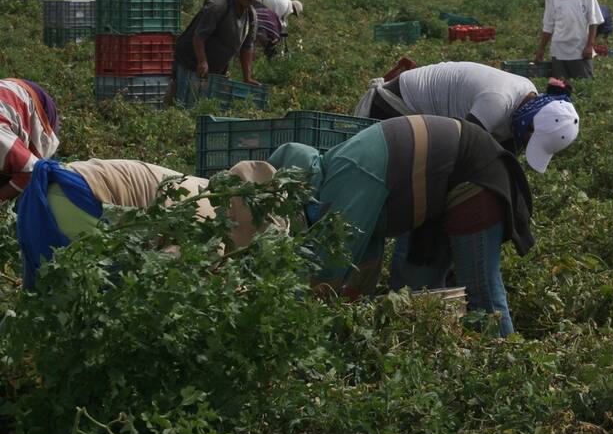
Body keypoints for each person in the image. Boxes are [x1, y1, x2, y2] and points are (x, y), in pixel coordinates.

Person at [268, 116, 535, 336]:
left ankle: (505, 358)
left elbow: (334, 255)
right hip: (436, 194)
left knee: (481, 289)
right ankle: (441, 352)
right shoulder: (336, 178)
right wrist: (353, 303)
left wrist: (299, 311)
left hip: (473, 177)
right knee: (415, 288)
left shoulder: (348, 171)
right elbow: (365, 249)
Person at [16, 158, 276, 289]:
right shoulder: (211, 228)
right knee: (99, 298)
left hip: (51, 190)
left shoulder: (205, 189)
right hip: (81, 203)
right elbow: (160, 267)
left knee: (51, 292)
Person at [354, 61, 580, 169]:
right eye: (532, 138)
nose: (526, 143)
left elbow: (504, 156)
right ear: (531, 120)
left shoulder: (527, 94)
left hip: (426, 114)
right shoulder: (497, 101)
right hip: (394, 106)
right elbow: (458, 151)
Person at [170, 0, 262, 103]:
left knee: (206, 102)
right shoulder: (218, 5)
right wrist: (202, 61)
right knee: (184, 99)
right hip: (189, 60)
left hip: (215, 66)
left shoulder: (251, 15)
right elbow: (199, 36)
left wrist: (247, 77)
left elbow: (247, 47)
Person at [535, 0, 604, 80]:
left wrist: (590, 45)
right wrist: (541, 49)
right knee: (561, 90)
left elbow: (593, 20)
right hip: (559, 50)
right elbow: (548, 26)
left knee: (583, 89)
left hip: (580, 50)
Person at [0, 79, 60, 202]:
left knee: (40, 184)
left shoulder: (2, 141)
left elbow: (33, 170)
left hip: (36, 103)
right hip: (9, 95)